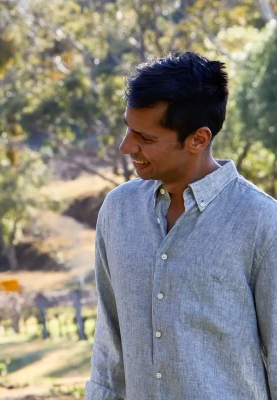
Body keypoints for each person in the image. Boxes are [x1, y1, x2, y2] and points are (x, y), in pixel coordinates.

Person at [86, 51, 277, 399]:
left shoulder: (262, 222)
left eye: (146, 138)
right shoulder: (118, 211)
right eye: (129, 130)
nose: (126, 146)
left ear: (198, 139)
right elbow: (110, 341)